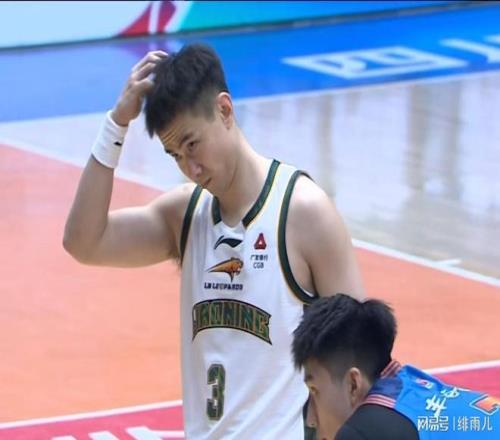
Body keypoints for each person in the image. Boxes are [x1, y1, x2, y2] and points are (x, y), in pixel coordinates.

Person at [63, 43, 365, 439]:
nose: (190, 168)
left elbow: (361, 358)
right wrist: (116, 124)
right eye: (175, 155)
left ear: (224, 110)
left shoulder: (304, 211)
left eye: (192, 145)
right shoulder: (185, 216)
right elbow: (84, 242)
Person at [292, 293, 500, 439]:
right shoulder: (408, 387)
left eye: (315, 391)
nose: (311, 420)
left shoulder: (366, 431)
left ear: (353, 384)